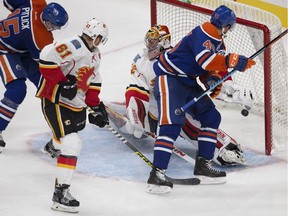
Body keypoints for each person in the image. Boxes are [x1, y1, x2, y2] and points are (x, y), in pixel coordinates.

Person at [145, 5, 256, 193]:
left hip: (187, 81)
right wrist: (233, 60)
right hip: (169, 78)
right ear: (227, 25)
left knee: (211, 117)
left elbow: (208, 68)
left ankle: (203, 166)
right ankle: (156, 175)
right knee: (171, 124)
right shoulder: (205, 31)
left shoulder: (218, 42)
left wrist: (211, 79)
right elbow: (204, 60)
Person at [125, 25, 245, 168]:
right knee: (178, 124)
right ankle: (159, 170)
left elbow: (207, 67)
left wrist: (221, 82)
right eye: (148, 41)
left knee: (195, 120)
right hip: (155, 104)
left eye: (153, 42)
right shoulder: (140, 61)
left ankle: (222, 147)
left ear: (164, 42)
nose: (149, 46)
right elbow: (136, 87)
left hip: (178, 99)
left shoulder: (177, 56)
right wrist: (136, 111)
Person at [36, 18, 109, 213]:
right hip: (55, 100)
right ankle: (60, 195)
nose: (100, 41)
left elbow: (94, 79)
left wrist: (96, 106)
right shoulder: (74, 46)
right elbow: (46, 58)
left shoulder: (95, 53)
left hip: (76, 103)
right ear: (96, 36)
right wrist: (61, 82)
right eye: (100, 38)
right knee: (72, 142)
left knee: (65, 139)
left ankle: (53, 146)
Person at [0, 0, 69, 153]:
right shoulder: (40, 38)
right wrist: (64, 80)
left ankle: (58, 137)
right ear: (47, 20)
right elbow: (48, 66)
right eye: (54, 25)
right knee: (17, 90)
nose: (55, 29)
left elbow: (8, 2)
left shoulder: (37, 2)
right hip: (4, 49)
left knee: (49, 88)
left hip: (22, 49)